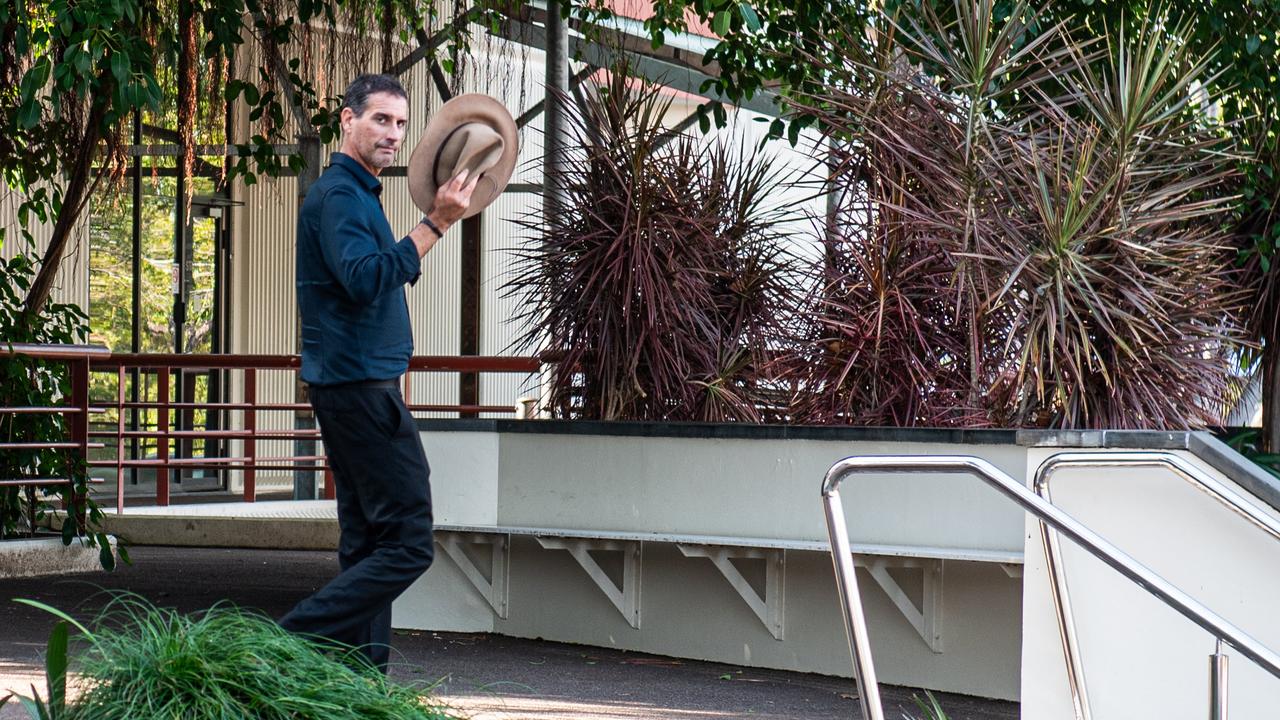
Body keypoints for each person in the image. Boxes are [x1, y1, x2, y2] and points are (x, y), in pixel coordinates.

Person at [281, 73, 479, 672]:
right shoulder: (339, 195)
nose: (393, 133)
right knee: (410, 544)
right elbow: (365, 277)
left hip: (354, 387)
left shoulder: (359, 195)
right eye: (379, 120)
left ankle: (358, 688)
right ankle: (279, 639)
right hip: (360, 390)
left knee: (367, 544)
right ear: (347, 120)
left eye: (399, 122)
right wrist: (437, 224)